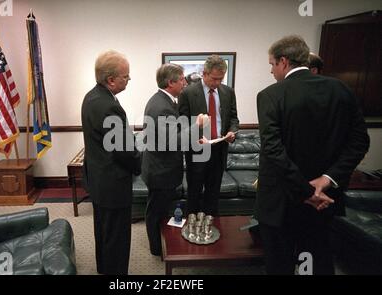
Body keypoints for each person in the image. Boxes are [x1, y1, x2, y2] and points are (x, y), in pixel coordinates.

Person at [255, 35, 370, 275]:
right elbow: (360, 142)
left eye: (271, 64)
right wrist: (327, 180)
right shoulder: (341, 89)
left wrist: (306, 192)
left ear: (283, 62)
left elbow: (274, 151)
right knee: (317, 260)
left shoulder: (271, 95)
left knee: (280, 265)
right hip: (325, 199)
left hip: (281, 203)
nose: (271, 71)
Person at [81, 50, 141, 275]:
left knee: (104, 232)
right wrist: (138, 162)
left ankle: (104, 269)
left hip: (99, 181)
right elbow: (124, 151)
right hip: (113, 184)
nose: (129, 79)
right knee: (117, 238)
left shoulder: (91, 96)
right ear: (111, 79)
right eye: (126, 76)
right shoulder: (109, 106)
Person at [141, 63, 208, 256]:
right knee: (156, 212)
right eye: (181, 79)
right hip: (160, 171)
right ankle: (156, 249)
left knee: (158, 210)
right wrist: (197, 125)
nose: (185, 82)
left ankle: (159, 244)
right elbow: (174, 141)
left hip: (160, 168)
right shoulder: (162, 106)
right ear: (170, 82)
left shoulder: (165, 100)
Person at [179, 55, 240, 216]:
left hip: (219, 149)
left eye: (221, 79)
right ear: (204, 73)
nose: (218, 83)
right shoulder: (188, 93)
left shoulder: (228, 92)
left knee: (213, 193)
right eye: (214, 79)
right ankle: (191, 228)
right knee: (194, 192)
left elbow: (233, 117)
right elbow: (182, 124)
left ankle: (210, 227)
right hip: (198, 150)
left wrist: (232, 131)